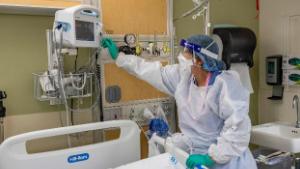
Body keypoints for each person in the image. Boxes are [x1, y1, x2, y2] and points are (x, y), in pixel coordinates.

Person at [101, 34, 257, 169]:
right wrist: (120, 58)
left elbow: (238, 129)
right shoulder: (184, 77)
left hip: (228, 161)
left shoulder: (226, 86)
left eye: (187, 52)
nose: (182, 55)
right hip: (196, 157)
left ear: (200, 60)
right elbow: (150, 71)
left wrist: (211, 158)